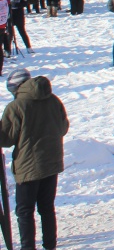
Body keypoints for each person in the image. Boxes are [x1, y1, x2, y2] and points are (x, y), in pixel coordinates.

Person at [0, 69, 69, 250]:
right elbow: (63, 128)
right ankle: (50, 246)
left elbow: (5, 139)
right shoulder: (54, 100)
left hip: (28, 166)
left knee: (24, 211)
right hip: (52, 162)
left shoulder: (16, 107)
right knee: (46, 208)